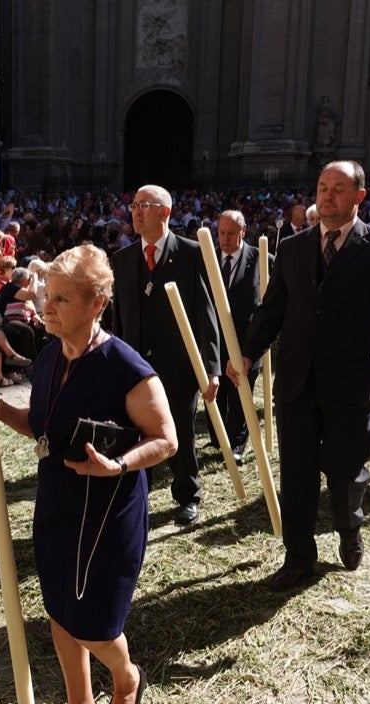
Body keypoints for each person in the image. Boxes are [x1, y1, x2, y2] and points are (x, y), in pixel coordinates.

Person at [0, 244, 176, 704]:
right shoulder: (46, 358)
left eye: (62, 299)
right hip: (58, 499)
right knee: (60, 608)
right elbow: (43, 427)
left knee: (95, 621)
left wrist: (120, 463)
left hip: (108, 509)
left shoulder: (125, 367)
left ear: (96, 305)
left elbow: (166, 439)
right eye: (48, 295)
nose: (47, 307)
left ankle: (126, 680)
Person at [234, 160, 370, 591]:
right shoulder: (294, 248)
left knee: (346, 471)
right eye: (321, 187)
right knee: (296, 473)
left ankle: (349, 530)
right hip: (297, 382)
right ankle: (299, 557)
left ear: (359, 195)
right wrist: (247, 352)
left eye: (338, 188)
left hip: (350, 383)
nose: (327, 195)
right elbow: (273, 309)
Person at [111, 184, 220, 526]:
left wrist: (211, 367)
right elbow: (118, 318)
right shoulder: (123, 259)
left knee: (180, 432)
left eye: (144, 205)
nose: (136, 211)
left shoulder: (190, 254)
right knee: (134, 433)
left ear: (165, 212)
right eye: (133, 205)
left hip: (177, 365)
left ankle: (187, 494)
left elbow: (206, 314)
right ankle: (135, 497)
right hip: (134, 365)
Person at [208, 210, 271, 464]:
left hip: (247, 341)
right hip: (215, 340)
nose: (225, 238)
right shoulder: (207, 257)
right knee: (218, 392)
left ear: (243, 232)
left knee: (241, 394)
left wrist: (253, 347)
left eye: (231, 233)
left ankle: (237, 444)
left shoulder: (261, 259)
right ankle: (218, 438)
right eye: (221, 233)